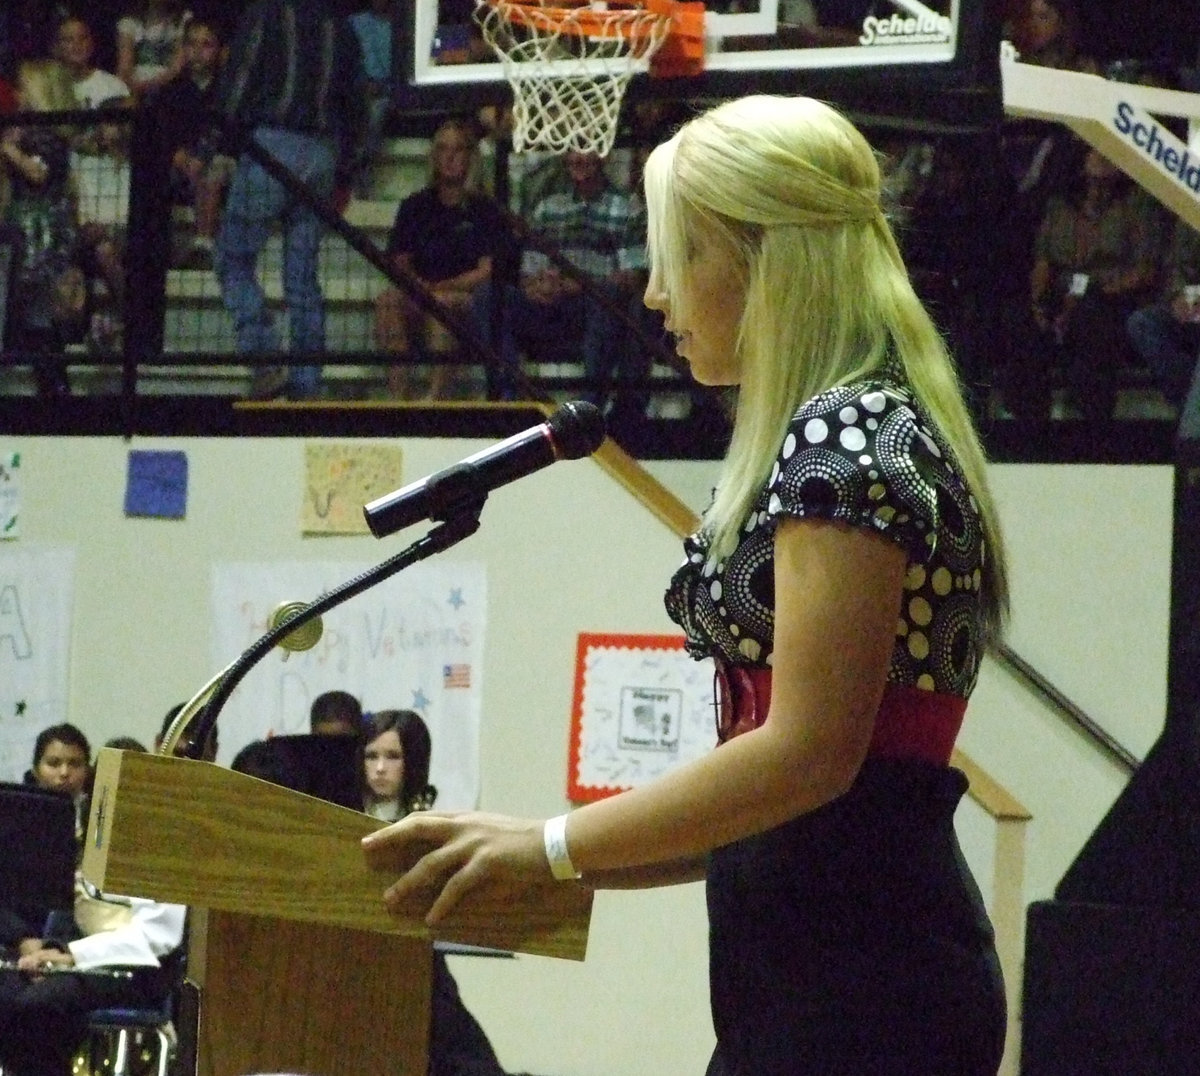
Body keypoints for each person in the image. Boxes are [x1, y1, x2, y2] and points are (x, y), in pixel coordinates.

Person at [364, 94, 1011, 1075]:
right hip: (837, 971)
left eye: (681, 255)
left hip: (862, 989)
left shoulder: (844, 431)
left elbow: (808, 759)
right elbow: (777, 808)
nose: (656, 292)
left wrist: (553, 842)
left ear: (763, 259)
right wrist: (538, 844)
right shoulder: (852, 421)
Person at [1, 728, 188, 1076]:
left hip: (141, 971)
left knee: (39, 1005)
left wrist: (71, 956)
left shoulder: (165, 845)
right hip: (85, 957)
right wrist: (52, 951)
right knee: (8, 992)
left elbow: (157, 937)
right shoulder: (91, 840)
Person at [213, 0, 366, 401]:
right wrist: (345, 169)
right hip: (323, 152)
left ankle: (264, 360)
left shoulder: (267, 11)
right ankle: (307, 384)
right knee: (302, 277)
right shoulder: (341, 24)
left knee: (232, 258)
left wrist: (219, 142)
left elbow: (241, 77)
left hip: (273, 142)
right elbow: (357, 103)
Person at [475, 150, 646, 405]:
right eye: (572, 151)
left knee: (608, 300)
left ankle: (590, 403)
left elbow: (632, 276)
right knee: (489, 294)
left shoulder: (627, 206)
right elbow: (528, 270)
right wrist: (535, 285)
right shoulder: (547, 205)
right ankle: (509, 392)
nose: (578, 159)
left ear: (604, 155)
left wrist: (578, 285)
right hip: (546, 303)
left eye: (586, 150)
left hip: (592, 307)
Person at [1003, 145, 1162, 418]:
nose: (1097, 189)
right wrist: (1038, 303)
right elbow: (1044, 261)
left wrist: (1094, 293)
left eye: (1105, 182)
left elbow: (1146, 269)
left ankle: (1091, 424)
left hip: (1110, 294)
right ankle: (1029, 422)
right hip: (1062, 290)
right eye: (1092, 181)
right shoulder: (1060, 206)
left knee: (1090, 321)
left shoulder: (1136, 204)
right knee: (1021, 321)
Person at [373, 117, 508, 399]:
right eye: (443, 149)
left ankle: (436, 397)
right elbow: (400, 261)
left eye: (458, 150)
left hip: (463, 300)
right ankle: (399, 397)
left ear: (471, 156)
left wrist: (441, 288)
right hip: (421, 292)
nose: (449, 157)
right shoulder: (415, 205)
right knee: (388, 301)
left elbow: (487, 270)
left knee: (442, 305)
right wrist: (418, 285)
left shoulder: (485, 209)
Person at [1, 58, 89, 397]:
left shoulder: (49, 137)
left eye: (25, 88)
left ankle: (54, 383)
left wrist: (8, 147)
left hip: (42, 234)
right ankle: (49, 379)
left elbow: (38, 172)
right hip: (25, 227)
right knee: (33, 310)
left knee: (39, 305)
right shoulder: (25, 133)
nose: (18, 94)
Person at [145, 13, 228, 269]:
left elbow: (231, 134)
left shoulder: (228, 89)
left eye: (206, 45)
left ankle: (203, 244)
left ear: (220, 50)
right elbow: (163, 133)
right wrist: (178, 156)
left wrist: (202, 158)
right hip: (180, 165)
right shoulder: (170, 91)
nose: (198, 51)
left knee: (214, 168)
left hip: (221, 164)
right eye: (192, 44)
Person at [1126, 216, 1200, 414]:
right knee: (1142, 323)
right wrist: (1179, 295)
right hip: (1196, 304)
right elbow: (1180, 265)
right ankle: (1190, 405)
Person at [360, 709, 436, 821]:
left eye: (393, 757)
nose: (380, 768)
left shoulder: (432, 824)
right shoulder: (341, 814)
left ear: (414, 760)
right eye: (371, 756)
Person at [115, 0, 189, 102]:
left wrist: (153, 85)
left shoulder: (183, 19)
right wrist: (134, 88)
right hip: (136, 88)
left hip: (170, 88)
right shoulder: (129, 23)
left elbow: (177, 68)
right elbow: (124, 69)